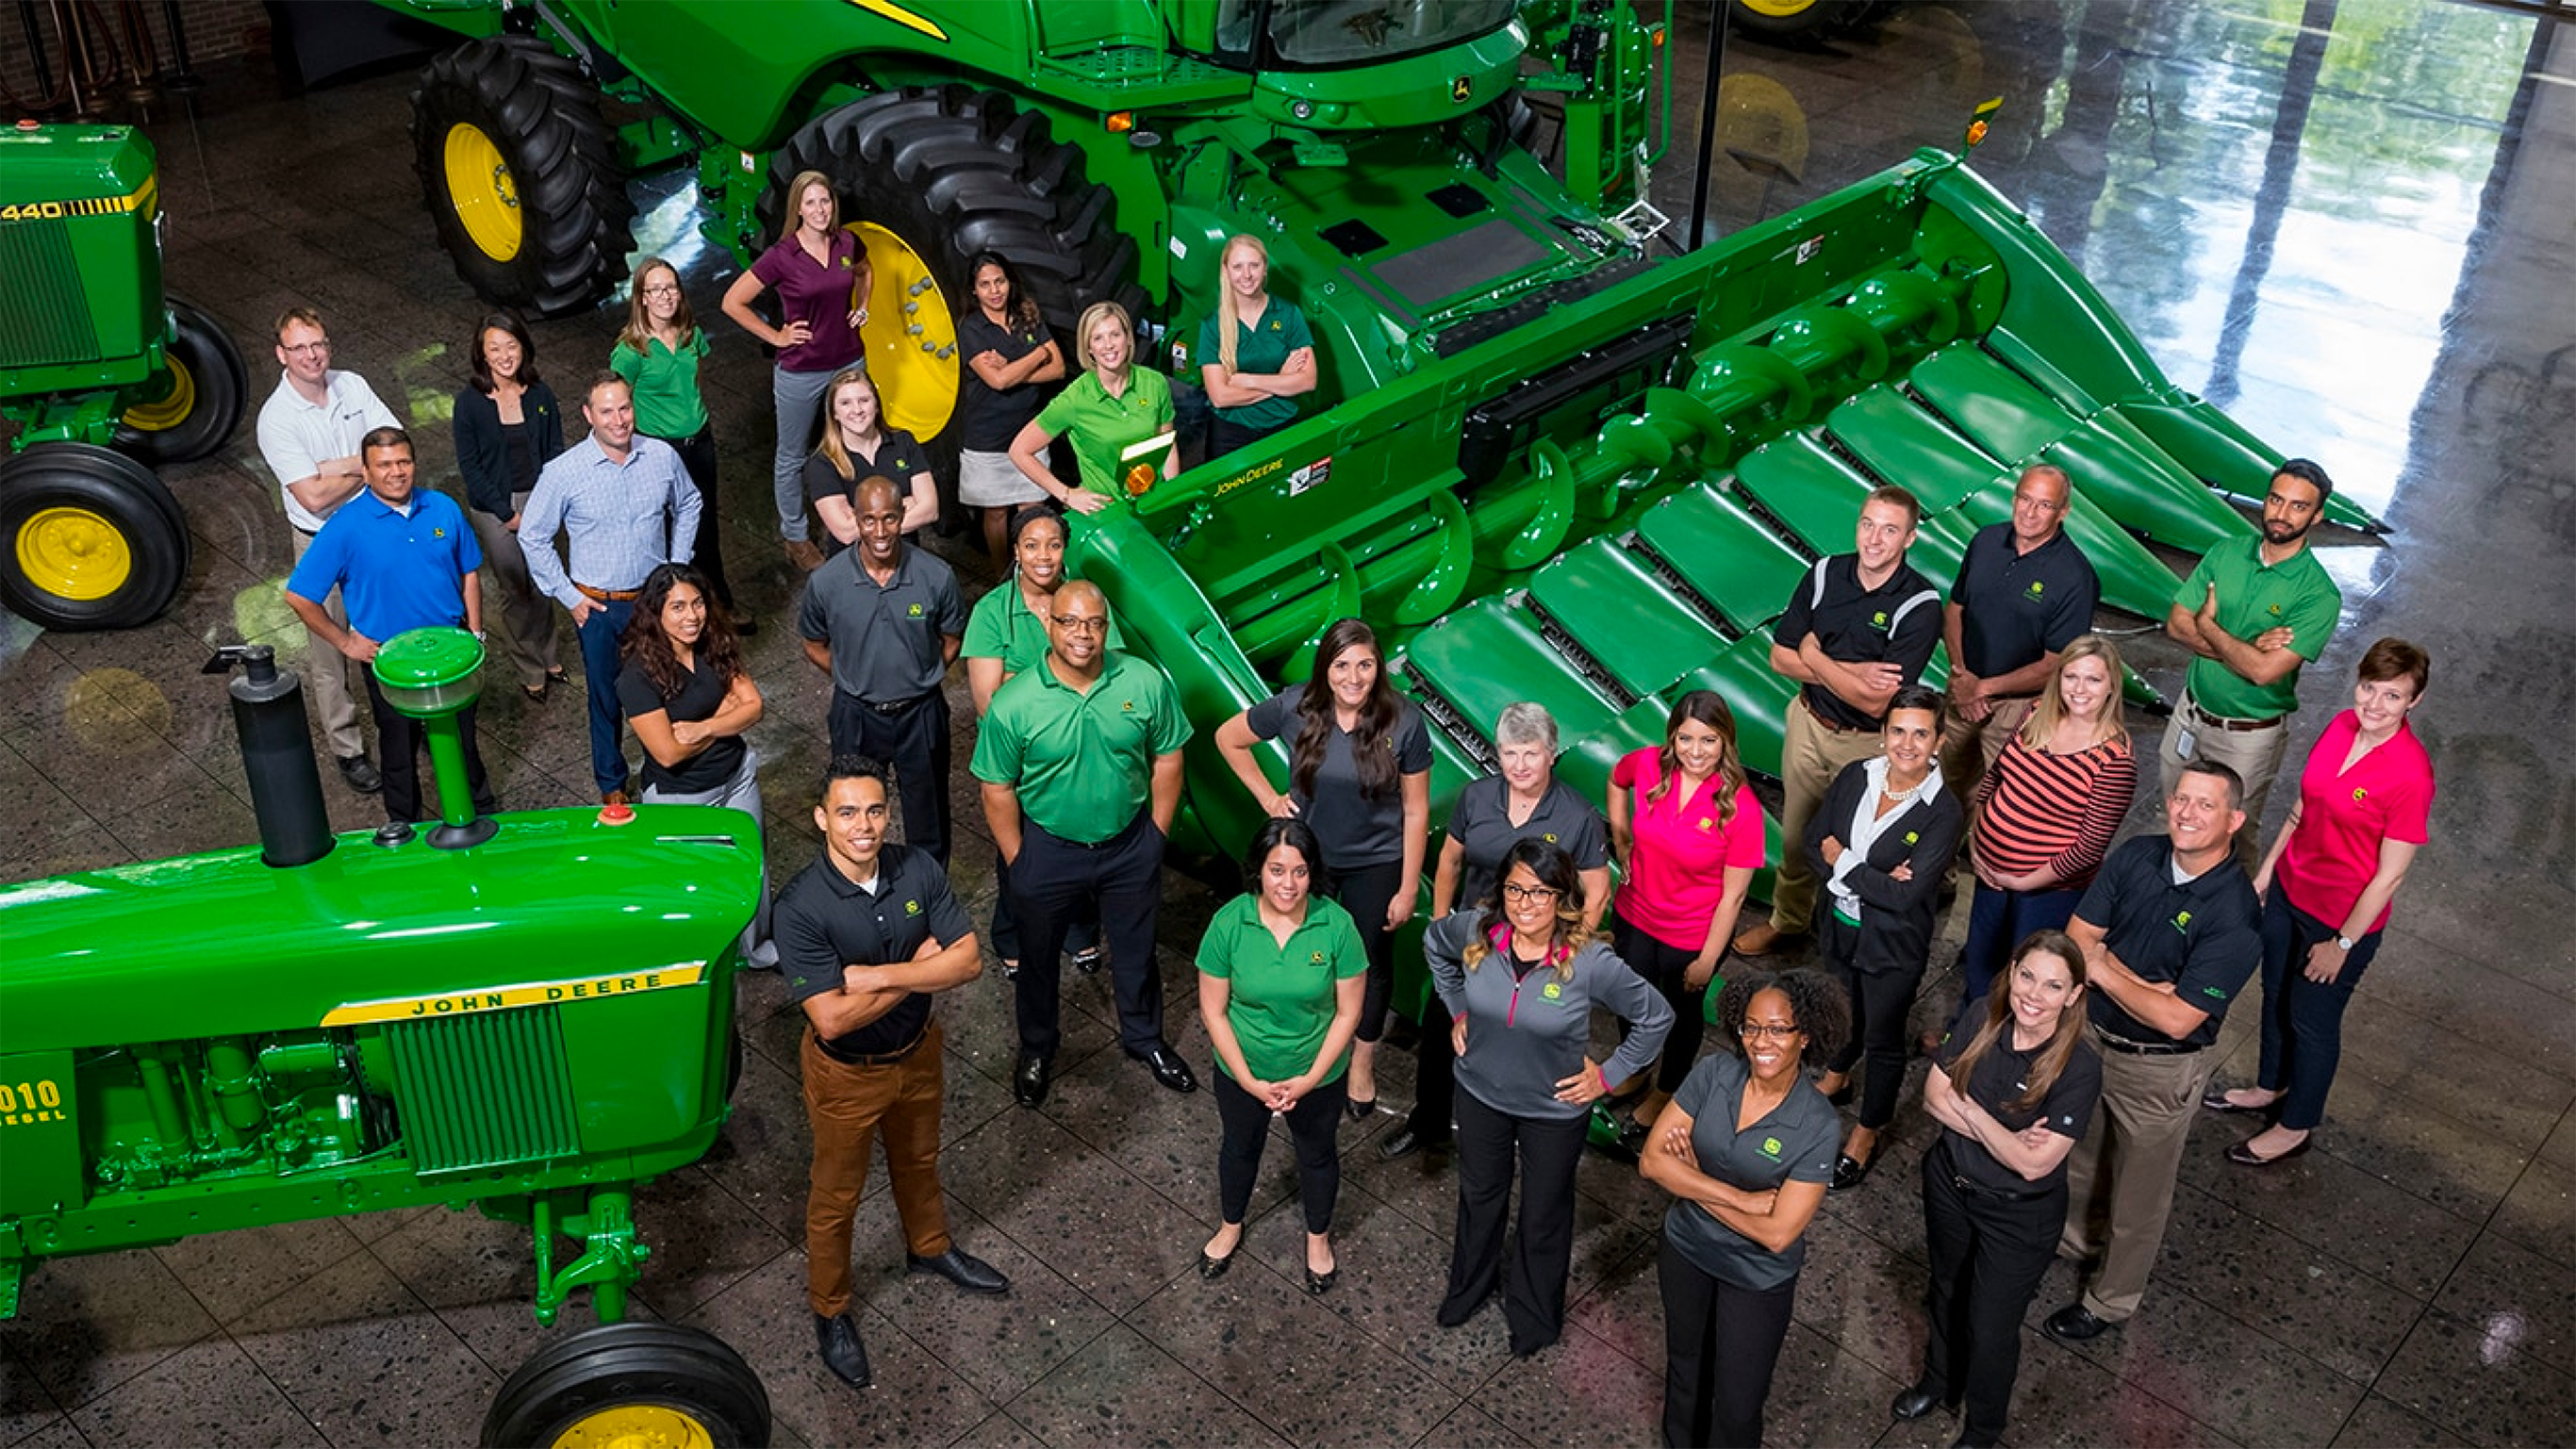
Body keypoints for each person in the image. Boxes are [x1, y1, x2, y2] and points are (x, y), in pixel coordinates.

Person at [776, 758, 1010, 1393]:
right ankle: (831, 1309)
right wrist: (920, 964)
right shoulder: (799, 906)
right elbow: (830, 1018)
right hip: (846, 1077)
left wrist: (880, 975)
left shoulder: (918, 866)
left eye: (875, 810)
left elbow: (966, 963)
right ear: (822, 817)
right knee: (835, 1200)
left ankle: (929, 1247)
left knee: (919, 1161)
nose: (864, 825)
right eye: (847, 812)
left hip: (919, 1050)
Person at [2040, 760, 2261, 1344]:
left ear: (2234, 820)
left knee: (2140, 1193)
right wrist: (2140, 984)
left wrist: (2109, 973)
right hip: (2091, 1039)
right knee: (2081, 1154)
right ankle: (2072, 1242)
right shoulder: (2137, 856)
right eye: (2181, 799)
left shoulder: (2235, 914)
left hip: (2158, 1071)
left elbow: (2178, 1017)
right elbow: (2077, 938)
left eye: (2206, 805)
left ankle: (2111, 1299)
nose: (2187, 813)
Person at [1427, 839, 1673, 1358]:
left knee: (1543, 1215)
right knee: (1479, 1199)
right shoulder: (1476, 932)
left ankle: (1534, 1316)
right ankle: (1467, 1291)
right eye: (1515, 889)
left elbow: (1656, 1017)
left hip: (1552, 1113)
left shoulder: (1590, 962)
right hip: (1480, 1096)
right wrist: (1457, 1010)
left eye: (1540, 893)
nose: (1525, 904)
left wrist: (1609, 1077)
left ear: (1562, 898)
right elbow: (1433, 943)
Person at [2206, 638, 2434, 1166]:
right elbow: (2301, 809)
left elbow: (2390, 877)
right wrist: (2265, 878)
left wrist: (2343, 944)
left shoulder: (2410, 774)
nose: (2374, 705)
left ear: (2413, 703)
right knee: (2275, 994)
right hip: (2291, 889)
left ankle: (2296, 1123)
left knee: (2312, 1021)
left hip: (2339, 919)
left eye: (2392, 697)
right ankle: (2270, 1087)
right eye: (2368, 689)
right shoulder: (2339, 727)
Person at [973, 581, 1197, 1106]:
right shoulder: (1015, 702)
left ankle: (1145, 1038)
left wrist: (1156, 835)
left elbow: (1169, 757)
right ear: (1049, 625)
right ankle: (1036, 1048)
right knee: (1037, 957)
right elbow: (996, 786)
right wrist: (1018, 858)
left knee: (1138, 951)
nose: (1083, 634)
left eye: (1094, 623)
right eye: (1070, 622)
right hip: (1048, 849)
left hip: (1128, 845)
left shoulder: (1143, 682)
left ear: (1106, 628)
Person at [1214, 618, 1431, 1117]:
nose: (1354, 677)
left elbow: (1416, 809)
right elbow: (1228, 738)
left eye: (1365, 665)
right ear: (1325, 669)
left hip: (1377, 861)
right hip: (1311, 862)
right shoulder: (1296, 705)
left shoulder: (1405, 721)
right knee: (1306, 952)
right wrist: (1269, 797)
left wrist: (1406, 888)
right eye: (1341, 666)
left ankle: (1361, 1062)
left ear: (1378, 667)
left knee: (1369, 963)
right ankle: (1309, 1041)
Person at [1898, 932, 2102, 1449]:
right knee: (1945, 1290)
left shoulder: (2078, 1066)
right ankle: (1938, 1381)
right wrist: (2000, 1132)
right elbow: (1932, 1098)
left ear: (2074, 995)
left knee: (1991, 1327)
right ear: (2012, 972)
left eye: (2053, 985)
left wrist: (1967, 1108)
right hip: (1950, 1183)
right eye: (2027, 976)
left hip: (2018, 1216)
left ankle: (1983, 1429)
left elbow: (2034, 1164)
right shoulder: (1981, 1019)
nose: (2034, 994)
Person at [1386, 701, 1610, 1164]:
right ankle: (1427, 1123)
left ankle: (1519, 1136)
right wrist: (1441, 923)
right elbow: (1450, 861)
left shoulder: (1577, 817)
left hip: (1536, 952)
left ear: (1551, 754)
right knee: (1441, 1031)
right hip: (1475, 940)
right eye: (1510, 754)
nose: (1520, 765)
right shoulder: (1477, 798)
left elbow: (1598, 891)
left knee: (1525, 1045)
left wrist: (1569, 955)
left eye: (1530, 754)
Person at [1640, 968, 1847, 1449]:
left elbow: (1777, 1235)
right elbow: (1652, 1162)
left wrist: (1691, 1183)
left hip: (1757, 1277)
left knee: (1737, 1402)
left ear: (1806, 1036)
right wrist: (1740, 1199)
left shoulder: (1817, 1123)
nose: (1761, 1040)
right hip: (1685, 1251)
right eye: (1752, 1027)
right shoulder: (1713, 1074)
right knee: (1685, 1371)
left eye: (1778, 1029)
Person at [1735, 486, 1943, 958]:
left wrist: (1815, 653)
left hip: (1867, 745)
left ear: (1909, 538)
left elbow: (1876, 704)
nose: (1874, 538)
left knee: (1860, 848)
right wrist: (1849, 673)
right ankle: (1788, 922)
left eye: (1890, 529)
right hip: (1809, 725)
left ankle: (1848, 940)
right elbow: (1779, 658)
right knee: (1795, 835)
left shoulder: (1919, 605)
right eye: (1867, 524)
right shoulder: (1826, 573)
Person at [281, 427, 496, 824]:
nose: (396, 472)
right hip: (389, 661)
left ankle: (482, 809)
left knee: (464, 741)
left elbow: (469, 573)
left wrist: (476, 634)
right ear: (365, 471)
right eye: (384, 465)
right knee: (399, 750)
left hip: (450, 653)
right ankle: (403, 825)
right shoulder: (346, 527)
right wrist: (346, 644)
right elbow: (299, 596)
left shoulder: (443, 508)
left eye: (403, 462)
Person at [1936, 634, 2137, 1052]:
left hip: (2045, 893)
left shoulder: (2113, 760)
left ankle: (2004, 1054)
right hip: (1992, 874)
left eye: (2093, 680)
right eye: (2071, 677)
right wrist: (1978, 841)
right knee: (1981, 964)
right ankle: (1966, 1035)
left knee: (2028, 981)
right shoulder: (2035, 715)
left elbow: (2089, 847)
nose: (2079, 690)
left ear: (2111, 687)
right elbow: (1994, 778)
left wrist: (2023, 881)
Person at [1195, 818, 1368, 1293]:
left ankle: (1318, 1239)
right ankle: (1230, 1226)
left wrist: (1311, 1078)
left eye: (1299, 872)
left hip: (1317, 1073)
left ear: (1313, 873)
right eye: (1276, 870)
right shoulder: (1230, 922)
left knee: (1317, 1155)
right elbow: (1214, 1011)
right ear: (1258, 871)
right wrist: (1249, 1081)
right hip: (1242, 1070)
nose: (1287, 884)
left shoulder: (1336, 925)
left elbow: (1348, 1012)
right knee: (1239, 1148)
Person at [1808, 683, 1965, 1191]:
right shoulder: (1858, 775)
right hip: (1840, 924)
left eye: (1921, 734)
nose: (1907, 744)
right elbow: (1815, 842)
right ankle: (1837, 1072)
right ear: (1883, 732)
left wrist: (1845, 860)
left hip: (1893, 944)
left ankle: (1868, 1130)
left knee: (1883, 1036)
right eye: (1898, 730)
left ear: (1939, 741)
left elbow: (1905, 897)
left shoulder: (1944, 812)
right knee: (1841, 1009)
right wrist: (1873, 877)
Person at [520, 373, 702, 805]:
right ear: (588, 415)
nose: (619, 420)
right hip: (598, 606)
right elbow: (533, 535)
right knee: (605, 697)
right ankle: (612, 785)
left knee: (669, 685)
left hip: (654, 601)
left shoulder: (660, 456)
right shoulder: (565, 472)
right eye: (607, 411)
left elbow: (689, 502)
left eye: (624, 408)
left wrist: (677, 568)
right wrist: (569, 597)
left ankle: (667, 767)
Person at [2161, 459, 2343, 864]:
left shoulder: (2319, 595)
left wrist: (2208, 625)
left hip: (2246, 737)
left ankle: (2231, 923)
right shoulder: (2225, 552)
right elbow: (2176, 625)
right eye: (2276, 499)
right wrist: (2244, 647)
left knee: (2232, 840)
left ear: (2317, 516)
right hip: (2189, 716)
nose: (2282, 514)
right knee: (2178, 820)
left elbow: (2263, 672)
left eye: (2299, 506)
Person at [962, 508, 1118, 979]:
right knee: (1021, 853)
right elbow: (992, 702)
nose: (1043, 556)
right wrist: (1068, 679)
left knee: (1082, 843)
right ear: (1015, 551)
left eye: (1053, 544)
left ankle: (1078, 931)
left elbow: (1110, 670)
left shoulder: (1085, 600)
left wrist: (1023, 679)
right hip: (1020, 760)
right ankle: (1013, 936)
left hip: (1082, 751)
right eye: (1031, 545)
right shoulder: (992, 612)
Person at [1607, 690, 1764, 1139]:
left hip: (1690, 931)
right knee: (1629, 997)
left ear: (1725, 743)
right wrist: (1621, 840)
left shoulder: (1740, 807)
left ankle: (1667, 1090)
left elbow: (1733, 898)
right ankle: (1634, 1066)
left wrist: (1707, 959)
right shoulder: (1648, 765)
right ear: (1672, 739)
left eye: (1708, 741)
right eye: (1686, 739)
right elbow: (1616, 779)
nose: (1696, 752)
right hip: (1634, 911)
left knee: (1680, 1011)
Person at [256, 305, 397, 795]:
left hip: (375, 531)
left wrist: (335, 466)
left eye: (318, 344)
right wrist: (363, 467)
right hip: (322, 542)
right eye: (299, 348)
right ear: (281, 355)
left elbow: (393, 447)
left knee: (389, 626)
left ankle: (406, 718)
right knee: (330, 649)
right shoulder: (276, 419)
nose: (312, 355)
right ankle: (349, 750)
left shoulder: (352, 385)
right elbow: (312, 498)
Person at [798, 474, 966, 865]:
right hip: (856, 714)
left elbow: (953, 636)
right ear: (854, 518)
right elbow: (813, 642)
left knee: (930, 817)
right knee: (854, 812)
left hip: (920, 713)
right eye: (869, 519)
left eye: (889, 518)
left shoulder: (936, 576)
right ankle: (857, 889)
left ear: (903, 515)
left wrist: (920, 675)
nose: (880, 530)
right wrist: (851, 677)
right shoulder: (827, 582)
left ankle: (929, 896)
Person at [617, 563, 772, 966]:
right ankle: (707, 962)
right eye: (679, 608)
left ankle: (755, 951)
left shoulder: (713, 643)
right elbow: (667, 753)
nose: (693, 617)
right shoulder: (636, 676)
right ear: (657, 614)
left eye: (698, 604)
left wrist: (703, 727)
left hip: (737, 779)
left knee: (751, 868)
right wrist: (726, 715)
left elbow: (754, 706)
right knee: (697, 885)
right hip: (683, 799)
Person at [721, 169, 869, 571]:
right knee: (792, 455)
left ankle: (858, 521)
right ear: (798, 210)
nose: (820, 209)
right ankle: (796, 536)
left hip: (849, 359)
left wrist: (863, 306)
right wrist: (776, 337)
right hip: (801, 369)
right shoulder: (782, 255)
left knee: (857, 442)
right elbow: (732, 302)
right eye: (811, 203)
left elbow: (864, 270)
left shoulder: (846, 242)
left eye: (825, 201)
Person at [1940, 464, 2100, 808]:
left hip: (2018, 709)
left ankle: (1981, 859)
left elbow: (2057, 663)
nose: (2029, 512)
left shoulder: (2076, 577)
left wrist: (1983, 689)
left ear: (2063, 512)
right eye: (2024, 499)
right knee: (1945, 783)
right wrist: (1962, 675)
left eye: (2044, 505)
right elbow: (1954, 610)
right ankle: (1940, 856)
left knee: (1999, 800)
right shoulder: (1985, 541)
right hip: (1962, 686)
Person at [613, 257, 745, 630]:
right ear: (641, 298)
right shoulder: (630, 351)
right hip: (659, 451)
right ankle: (667, 612)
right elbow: (617, 402)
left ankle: (718, 604)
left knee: (706, 526)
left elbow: (695, 382)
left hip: (698, 442)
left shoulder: (691, 335)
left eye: (671, 287)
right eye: (655, 290)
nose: (665, 296)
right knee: (667, 531)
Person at [452, 312, 569, 702]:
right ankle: (529, 665)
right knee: (515, 586)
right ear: (482, 354)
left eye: (511, 346)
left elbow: (555, 452)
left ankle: (550, 656)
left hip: (540, 498)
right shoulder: (469, 404)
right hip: (494, 506)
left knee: (544, 581)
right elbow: (471, 469)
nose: (505, 356)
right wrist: (508, 514)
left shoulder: (541, 394)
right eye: (495, 348)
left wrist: (544, 507)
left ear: (524, 347)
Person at [1008, 301, 1177, 513]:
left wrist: (1173, 496)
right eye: (1098, 338)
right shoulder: (1075, 400)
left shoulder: (1155, 383)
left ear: (1128, 338)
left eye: (1115, 335)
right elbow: (1019, 451)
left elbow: (1167, 446)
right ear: (1088, 348)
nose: (1109, 345)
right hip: (1107, 512)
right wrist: (1067, 495)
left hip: (1153, 504)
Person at [954, 252, 1066, 568]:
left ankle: (1029, 570)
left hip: (1029, 432)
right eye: (985, 284)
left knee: (1031, 508)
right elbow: (999, 381)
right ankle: (1000, 571)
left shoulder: (1026, 316)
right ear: (974, 290)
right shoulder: (971, 329)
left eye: (999, 281)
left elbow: (1058, 368)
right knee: (995, 511)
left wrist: (1014, 367)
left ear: (1009, 282)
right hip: (988, 435)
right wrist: (1036, 355)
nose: (995, 291)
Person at [1197, 234, 1317, 456]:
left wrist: (1248, 380)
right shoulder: (1212, 326)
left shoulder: (1289, 313)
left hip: (1283, 424)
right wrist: (1281, 380)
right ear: (1226, 271)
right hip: (1231, 433)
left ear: (1265, 269)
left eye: (1254, 265)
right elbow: (1220, 397)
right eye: (1238, 267)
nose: (1247, 275)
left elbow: (1308, 381)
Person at [804, 369, 936, 552]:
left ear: (876, 405)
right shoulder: (823, 463)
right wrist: (906, 503)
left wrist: (863, 518)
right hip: (853, 564)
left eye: (864, 400)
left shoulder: (903, 442)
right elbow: (845, 532)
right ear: (834, 413)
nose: (857, 410)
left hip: (905, 555)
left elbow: (930, 509)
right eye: (845, 403)